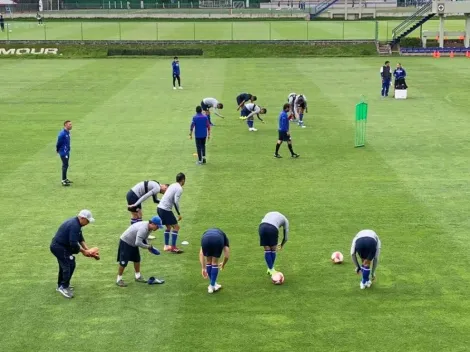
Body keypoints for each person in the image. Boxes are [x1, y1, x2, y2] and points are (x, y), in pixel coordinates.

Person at [50, 210, 96, 299]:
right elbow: (73, 243)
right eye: (88, 221)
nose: (88, 223)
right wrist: (84, 252)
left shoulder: (77, 224)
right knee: (69, 264)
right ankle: (63, 287)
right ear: (82, 218)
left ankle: (61, 285)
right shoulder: (74, 225)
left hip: (60, 246)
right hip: (59, 247)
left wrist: (88, 249)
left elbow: (80, 238)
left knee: (66, 264)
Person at [116, 216, 164, 287]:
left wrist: (148, 246)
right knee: (123, 262)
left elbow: (144, 238)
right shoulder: (143, 229)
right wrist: (148, 247)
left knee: (137, 259)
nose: (158, 228)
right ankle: (119, 279)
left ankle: (138, 277)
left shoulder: (149, 228)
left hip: (133, 242)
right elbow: (138, 243)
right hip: (126, 242)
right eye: (157, 226)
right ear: (153, 224)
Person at [157, 173, 185, 253]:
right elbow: (176, 201)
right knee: (176, 227)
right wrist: (178, 214)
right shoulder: (179, 188)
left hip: (159, 208)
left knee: (168, 227)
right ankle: (173, 247)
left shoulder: (172, 185)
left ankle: (166, 246)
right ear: (183, 180)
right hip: (165, 210)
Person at [199, 228, 230, 294]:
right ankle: (212, 285)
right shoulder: (224, 236)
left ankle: (213, 284)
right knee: (214, 262)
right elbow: (227, 254)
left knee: (209, 262)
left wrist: (203, 268)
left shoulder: (204, 235)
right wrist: (223, 264)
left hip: (205, 241)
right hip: (217, 240)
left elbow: (201, 253)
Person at [258, 211, 289, 276]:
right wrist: (282, 244)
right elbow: (286, 237)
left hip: (261, 227)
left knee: (267, 249)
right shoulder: (285, 221)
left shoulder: (270, 213)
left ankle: (270, 269)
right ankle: (271, 269)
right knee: (273, 250)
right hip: (272, 229)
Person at [56, 120, 72, 187]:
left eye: (71, 124)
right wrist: (58, 149)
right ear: (65, 125)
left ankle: (65, 178)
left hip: (67, 151)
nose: (71, 126)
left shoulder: (67, 132)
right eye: (69, 124)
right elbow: (59, 142)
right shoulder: (62, 133)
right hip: (63, 152)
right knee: (65, 165)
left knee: (66, 165)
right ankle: (63, 180)